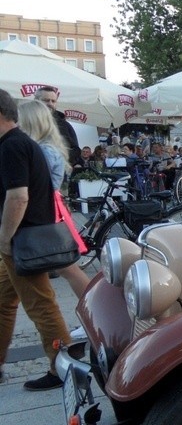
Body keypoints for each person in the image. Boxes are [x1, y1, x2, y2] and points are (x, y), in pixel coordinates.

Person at [0, 89, 72, 390]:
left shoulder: (12, 147)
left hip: (21, 241)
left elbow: (18, 198)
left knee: (41, 307)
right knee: (3, 302)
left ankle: (63, 368)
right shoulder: (21, 144)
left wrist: (5, 239)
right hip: (24, 240)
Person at [17, 101, 91, 299]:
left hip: (46, 211)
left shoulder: (43, 150)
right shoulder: (46, 147)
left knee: (68, 268)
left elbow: (39, 186)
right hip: (49, 210)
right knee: (65, 268)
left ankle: (94, 313)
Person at [34, 86, 80, 168]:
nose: (50, 104)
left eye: (53, 101)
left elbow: (76, 150)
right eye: (46, 100)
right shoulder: (28, 122)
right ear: (36, 101)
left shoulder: (65, 125)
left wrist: (61, 158)